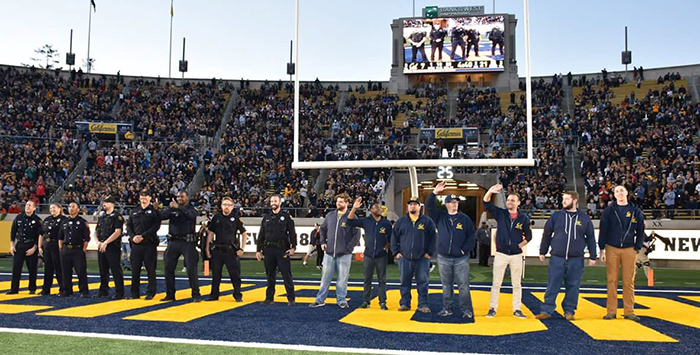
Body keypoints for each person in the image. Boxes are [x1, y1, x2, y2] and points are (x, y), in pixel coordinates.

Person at [536, 191, 597, 320]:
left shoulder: (584, 218)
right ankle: (546, 310)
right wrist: (543, 250)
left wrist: (593, 255)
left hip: (576, 259)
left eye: (567, 199)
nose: (563, 201)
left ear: (575, 201)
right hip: (557, 257)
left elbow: (590, 237)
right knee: (552, 284)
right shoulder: (556, 216)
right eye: (563, 199)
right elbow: (547, 234)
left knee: (573, 286)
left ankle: (569, 311)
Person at [427, 182, 476, 319]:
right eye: (452, 202)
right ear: (447, 204)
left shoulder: (465, 219)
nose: (455, 204)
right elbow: (429, 206)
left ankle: (466, 309)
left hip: (461, 258)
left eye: (456, 202)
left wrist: (464, 249)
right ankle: (447, 308)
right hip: (443, 257)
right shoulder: (440, 217)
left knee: (463, 285)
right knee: (446, 285)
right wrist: (434, 193)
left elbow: (471, 236)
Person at [483, 184, 532, 319]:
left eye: (512, 200)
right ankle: (493, 308)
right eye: (508, 200)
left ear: (518, 203)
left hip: (516, 255)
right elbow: (485, 203)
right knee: (496, 283)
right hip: (501, 254)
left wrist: (518, 246)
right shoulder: (501, 213)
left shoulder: (523, 218)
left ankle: (517, 309)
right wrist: (490, 191)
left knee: (517, 284)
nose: (510, 202)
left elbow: (529, 236)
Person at [599, 185, 645, 322]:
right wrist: (602, 249)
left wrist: (637, 247)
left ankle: (629, 311)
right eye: (617, 191)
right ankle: (611, 311)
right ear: (614, 194)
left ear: (626, 193)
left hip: (629, 249)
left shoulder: (636, 211)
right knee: (611, 280)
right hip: (611, 248)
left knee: (628, 281)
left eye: (621, 190)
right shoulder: (608, 211)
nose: (619, 193)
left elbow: (641, 231)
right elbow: (603, 230)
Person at [309, 193, 361, 309]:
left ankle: (341, 300)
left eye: (341, 201)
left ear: (347, 203)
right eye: (337, 201)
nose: (338, 203)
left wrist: (349, 248)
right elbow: (322, 229)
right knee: (325, 279)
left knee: (342, 279)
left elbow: (357, 235)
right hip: (329, 253)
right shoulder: (330, 215)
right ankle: (320, 299)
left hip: (344, 254)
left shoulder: (352, 217)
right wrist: (323, 242)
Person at [391, 197, 437, 313]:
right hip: (405, 258)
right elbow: (394, 237)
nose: (412, 206)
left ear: (419, 206)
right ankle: (405, 304)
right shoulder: (401, 222)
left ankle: (423, 304)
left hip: (422, 258)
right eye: (410, 204)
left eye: (415, 204)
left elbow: (433, 238)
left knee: (423, 283)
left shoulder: (427, 221)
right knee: (405, 282)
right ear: (408, 207)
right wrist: (396, 252)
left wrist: (429, 252)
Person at [348, 197, 393, 310]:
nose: (379, 209)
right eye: (376, 207)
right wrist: (354, 208)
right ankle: (366, 301)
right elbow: (349, 221)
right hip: (368, 254)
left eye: (380, 207)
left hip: (381, 255)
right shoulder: (366, 221)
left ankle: (382, 302)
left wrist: (387, 246)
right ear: (371, 209)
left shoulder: (386, 223)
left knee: (382, 280)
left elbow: (392, 237)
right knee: (367, 279)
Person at [256, 194, 297, 305]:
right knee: (270, 275)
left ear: (280, 203)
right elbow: (261, 235)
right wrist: (258, 250)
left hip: (282, 249)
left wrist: (293, 247)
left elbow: (292, 233)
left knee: (286, 274)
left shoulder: (286, 217)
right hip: (268, 249)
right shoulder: (266, 217)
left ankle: (291, 298)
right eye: (272, 201)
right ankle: (269, 298)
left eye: (275, 201)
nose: (273, 203)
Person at [160, 191, 201, 302]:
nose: (179, 198)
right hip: (173, 242)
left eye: (182, 196)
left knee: (191, 269)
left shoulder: (191, 208)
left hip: (187, 242)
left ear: (187, 197)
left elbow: (191, 215)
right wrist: (155, 209)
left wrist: (178, 207)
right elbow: (162, 216)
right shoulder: (172, 209)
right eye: (178, 196)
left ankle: (196, 294)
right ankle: (170, 294)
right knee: (168, 268)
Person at [207, 197, 247, 302]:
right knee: (215, 275)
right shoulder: (216, 218)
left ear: (233, 207)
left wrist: (242, 248)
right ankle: (214, 295)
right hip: (217, 251)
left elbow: (244, 233)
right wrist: (207, 249)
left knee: (235, 275)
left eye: (229, 205)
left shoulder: (236, 218)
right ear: (221, 206)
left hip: (231, 251)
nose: (226, 207)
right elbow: (210, 233)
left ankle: (237, 295)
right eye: (224, 204)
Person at [127, 189, 161, 300]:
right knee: (135, 269)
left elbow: (156, 226)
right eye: (142, 196)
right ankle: (134, 293)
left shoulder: (154, 211)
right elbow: (129, 226)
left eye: (146, 196)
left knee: (150, 269)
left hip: (149, 244)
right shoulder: (134, 211)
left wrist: (143, 236)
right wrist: (133, 237)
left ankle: (151, 292)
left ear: (150, 198)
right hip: (136, 245)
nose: (143, 198)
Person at [8, 200, 43, 295]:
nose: (28, 207)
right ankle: (14, 289)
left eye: (30, 205)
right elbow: (12, 232)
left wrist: (35, 247)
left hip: (31, 245)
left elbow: (39, 235)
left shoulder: (37, 220)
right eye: (27, 205)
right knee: (16, 268)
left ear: (34, 208)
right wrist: (12, 245)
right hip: (19, 245)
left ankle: (32, 289)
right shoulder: (19, 217)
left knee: (32, 269)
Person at [94, 196, 125, 299]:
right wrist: (98, 242)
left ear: (112, 204)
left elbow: (118, 232)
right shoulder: (102, 217)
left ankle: (119, 292)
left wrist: (106, 242)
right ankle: (103, 291)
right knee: (103, 270)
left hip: (112, 246)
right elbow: (96, 231)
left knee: (115, 269)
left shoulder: (117, 216)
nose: (103, 204)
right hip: (101, 245)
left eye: (106, 202)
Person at [58, 202, 90, 297]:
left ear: (78, 209)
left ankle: (83, 291)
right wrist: (61, 248)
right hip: (66, 249)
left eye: (73, 207)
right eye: (69, 207)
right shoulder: (64, 222)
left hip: (77, 249)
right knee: (65, 271)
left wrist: (83, 249)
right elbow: (60, 237)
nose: (71, 208)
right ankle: (67, 290)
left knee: (81, 271)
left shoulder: (82, 222)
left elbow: (87, 238)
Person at [39, 203, 65, 295]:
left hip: (56, 245)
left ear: (59, 208)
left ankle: (63, 289)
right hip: (47, 245)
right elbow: (41, 234)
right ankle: (46, 289)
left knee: (59, 268)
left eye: (54, 208)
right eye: (50, 208)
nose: (52, 209)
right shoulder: (47, 219)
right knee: (48, 269)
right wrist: (39, 246)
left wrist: (61, 247)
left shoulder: (63, 220)